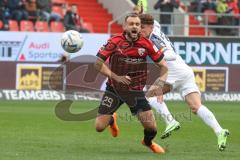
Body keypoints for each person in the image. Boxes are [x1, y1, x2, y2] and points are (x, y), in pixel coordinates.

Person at [139, 13, 229, 151]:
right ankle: (219, 131)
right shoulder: (155, 28)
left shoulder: (154, 39)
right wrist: (141, 15)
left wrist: (157, 55)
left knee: (149, 97)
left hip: (174, 71)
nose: (140, 30)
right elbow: (156, 22)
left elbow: (171, 55)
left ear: (150, 27)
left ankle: (170, 121)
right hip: (185, 70)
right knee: (196, 106)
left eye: (143, 27)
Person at [94, 13, 168, 153]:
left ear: (140, 28)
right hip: (114, 89)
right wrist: (115, 76)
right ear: (125, 26)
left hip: (135, 91)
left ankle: (148, 142)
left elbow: (164, 66)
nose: (134, 26)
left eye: (137, 24)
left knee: (152, 128)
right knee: (99, 127)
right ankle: (111, 119)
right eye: (131, 24)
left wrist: (159, 83)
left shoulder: (147, 44)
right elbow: (98, 64)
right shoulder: (114, 41)